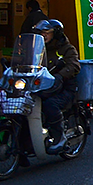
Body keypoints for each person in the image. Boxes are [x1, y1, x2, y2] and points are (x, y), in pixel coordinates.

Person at [31, 19, 81, 154]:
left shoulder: (67, 49)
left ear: (56, 33)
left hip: (64, 88)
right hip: (44, 87)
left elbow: (74, 65)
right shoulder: (38, 49)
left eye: (46, 32)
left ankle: (60, 138)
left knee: (50, 105)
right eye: (41, 32)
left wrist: (61, 75)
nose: (43, 35)